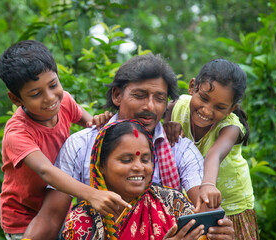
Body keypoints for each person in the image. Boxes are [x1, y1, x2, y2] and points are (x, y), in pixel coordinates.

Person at [23, 53, 207, 239]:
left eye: (160, 98)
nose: (150, 106)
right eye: (140, 95)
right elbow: (51, 217)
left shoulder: (180, 149)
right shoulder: (82, 145)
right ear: (117, 95)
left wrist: (218, 229)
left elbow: (204, 214)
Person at [0, 40, 114, 239]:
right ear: (16, 99)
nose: (50, 98)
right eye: (36, 94)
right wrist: (92, 194)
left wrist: (99, 121)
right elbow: (47, 171)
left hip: (58, 209)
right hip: (24, 221)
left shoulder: (65, 101)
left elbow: (92, 127)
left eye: (53, 85)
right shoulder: (17, 133)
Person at [61, 119, 234, 240]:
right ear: (101, 166)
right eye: (126, 160)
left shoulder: (172, 202)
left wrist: (220, 236)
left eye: (145, 159)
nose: (139, 167)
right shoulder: (82, 221)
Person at [164, 58, 259, 239]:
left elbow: (213, 155)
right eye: (204, 98)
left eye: (219, 107)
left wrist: (208, 185)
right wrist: (168, 125)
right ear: (193, 87)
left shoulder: (230, 127)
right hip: (197, 198)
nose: (207, 111)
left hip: (232, 204)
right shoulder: (178, 105)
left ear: (232, 109)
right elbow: (166, 123)